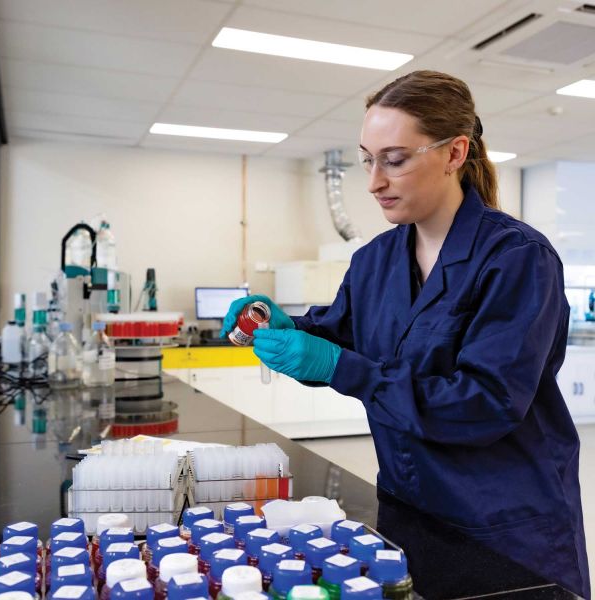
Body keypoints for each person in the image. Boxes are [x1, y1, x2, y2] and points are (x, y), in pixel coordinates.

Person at [220, 71, 590, 599]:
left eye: (394, 160)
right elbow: (343, 333)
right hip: (408, 510)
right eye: (367, 159)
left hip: (503, 525)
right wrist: (286, 327)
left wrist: (337, 366)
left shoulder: (516, 259)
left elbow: (485, 402)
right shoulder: (375, 259)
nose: (374, 181)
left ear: (455, 153)